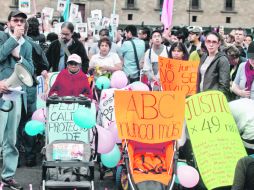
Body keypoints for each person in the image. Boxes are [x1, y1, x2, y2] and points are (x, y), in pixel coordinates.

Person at [0, 10, 34, 189]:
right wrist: (13, 39)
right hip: (0, 92)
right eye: (15, 20)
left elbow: (30, 69)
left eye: (22, 21)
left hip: (16, 95)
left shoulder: (27, 44)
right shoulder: (1, 37)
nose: (19, 23)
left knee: (11, 140)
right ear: (8, 22)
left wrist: (18, 57)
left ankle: (8, 176)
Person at [197, 32, 230, 99]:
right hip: (200, 96)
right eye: (208, 41)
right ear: (205, 43)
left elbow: (224, 85)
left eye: (214, 42)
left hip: (213, 100)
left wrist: (217, 100)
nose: (211, 44)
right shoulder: (204, 56)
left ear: (219, 44)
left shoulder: (222, 60)